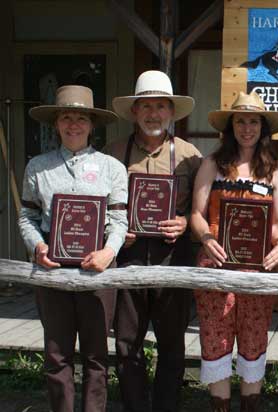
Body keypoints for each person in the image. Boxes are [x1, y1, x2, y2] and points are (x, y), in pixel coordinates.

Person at [18, 85, 128, 412]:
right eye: (67, 117)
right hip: (52, 271)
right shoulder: (37, 167)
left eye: (81, 118)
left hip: (99, 273)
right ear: (56, 123)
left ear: (92, 124)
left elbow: (119, 221)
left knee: (96, 356)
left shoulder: (112, 168)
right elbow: (27, 216)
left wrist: (109, 253)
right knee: (56, 355)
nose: (74, 124)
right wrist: (38, 247)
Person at [104, 70, 202, 412]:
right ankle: (134, 405)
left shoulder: (191, 156)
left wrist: (185, 222)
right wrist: (114, 229)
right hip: (128, 256)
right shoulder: (113, 152)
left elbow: (204, 209)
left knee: (172, 343)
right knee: (127, 343)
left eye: (161, 106)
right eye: (146, 106)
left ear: (172, 112)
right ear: (134, 111)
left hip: (173, 258)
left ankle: (165, 406)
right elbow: (97, 205)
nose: (153, 114)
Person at [190, 91, 278, 412]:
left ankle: (250, 405)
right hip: (215, 265)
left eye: (254, 121)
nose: (247, 127)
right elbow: (196, 214)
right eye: (241, 121)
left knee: (254, 337)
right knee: (216, 337)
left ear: (264, 128)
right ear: (230, 126)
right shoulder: (212, 165)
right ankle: (220, 406)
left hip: (257, 271)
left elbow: (277, 227)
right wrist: (206, 238)